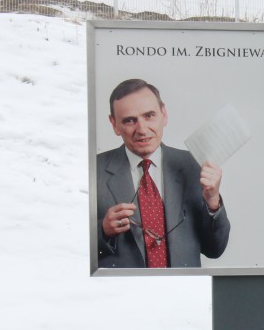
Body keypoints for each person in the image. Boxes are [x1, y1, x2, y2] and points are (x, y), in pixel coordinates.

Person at [96, 79, 230, 269]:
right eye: (129, 120)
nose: (142, 130)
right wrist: (102, 230)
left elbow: (215, 249)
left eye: (149, 115)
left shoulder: (195, 166)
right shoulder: (91, 170)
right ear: (114, 124)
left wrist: (213, 202)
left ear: (163, 114)